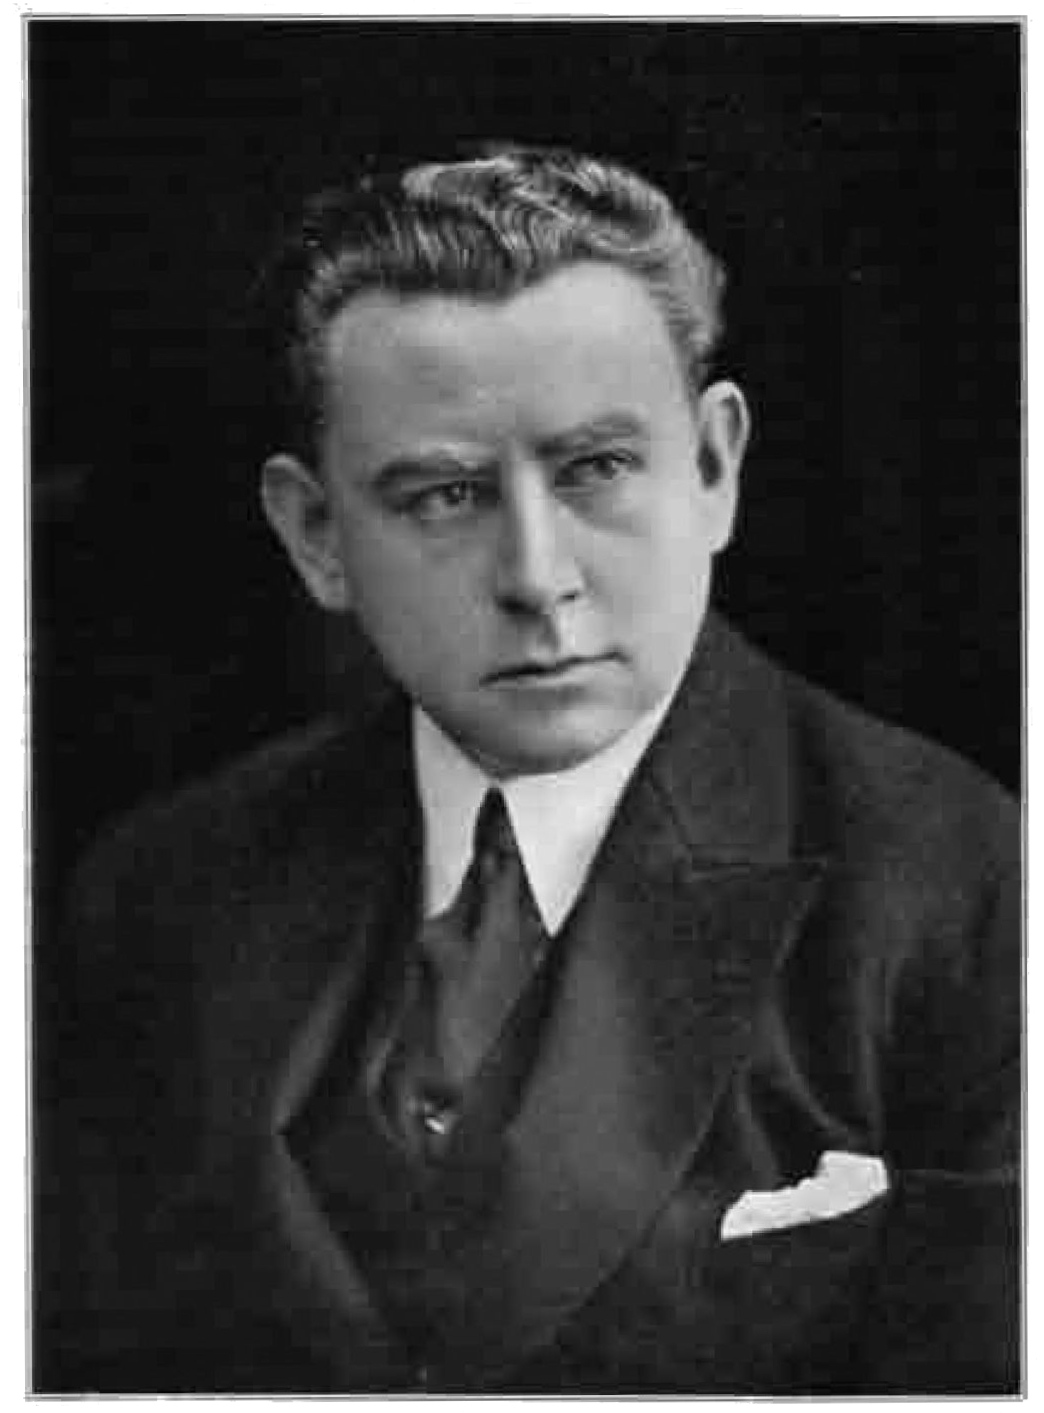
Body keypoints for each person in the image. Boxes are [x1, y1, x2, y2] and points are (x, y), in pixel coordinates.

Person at [36, 145, 1020, 1394]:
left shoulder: (965, 891)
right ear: (317, 534)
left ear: (714, 469)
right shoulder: (158, 897)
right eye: (446, 495)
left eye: (597, 468)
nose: (538, 577)